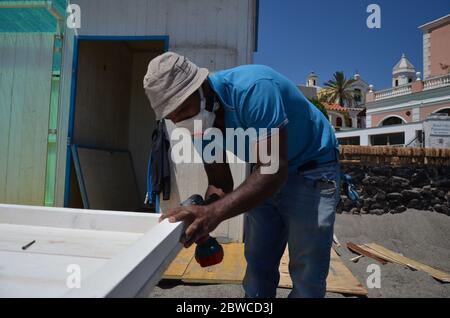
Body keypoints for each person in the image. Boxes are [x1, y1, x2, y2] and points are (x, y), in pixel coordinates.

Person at [143, 52, 341, 298]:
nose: (183, 121)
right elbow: (220, 182)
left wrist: (212, 213)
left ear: (202, 86)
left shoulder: (254, 89)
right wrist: (203, 215)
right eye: (174, 117)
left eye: (184, 108)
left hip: (312, 166)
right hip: (263, 173)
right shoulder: (198, 123)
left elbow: (273, 170)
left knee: (307, 270)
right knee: (258, 264)